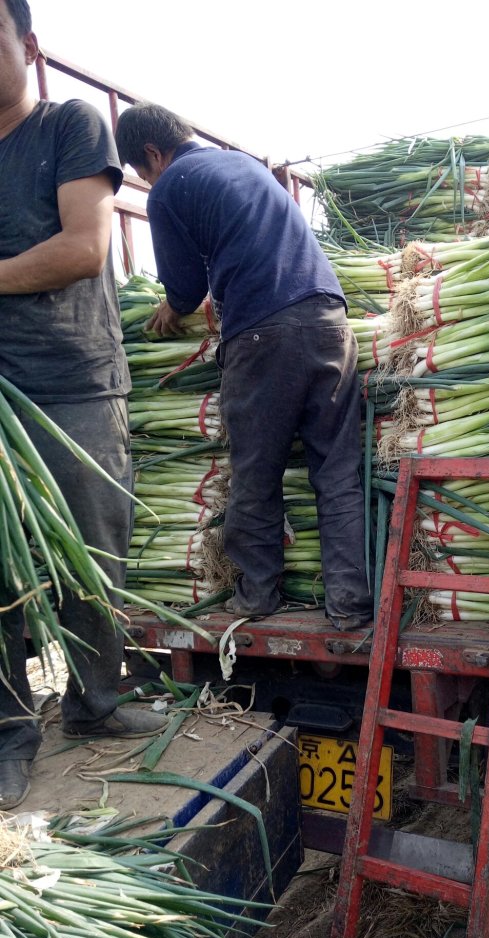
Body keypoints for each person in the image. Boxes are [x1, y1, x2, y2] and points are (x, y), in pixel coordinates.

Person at [114, 103, 373, 632]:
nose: (147, 182)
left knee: (256, 472)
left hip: (264, 333)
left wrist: (172, 308)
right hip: (329, 319)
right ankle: (349, 604)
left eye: (143, 173)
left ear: (152, 154)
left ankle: (257, 596)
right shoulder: (243, 166)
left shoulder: (170, 186)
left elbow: (184, 288)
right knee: (337, 471)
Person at [0, 0, 166, 810]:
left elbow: (83, 246)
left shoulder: (69, 126)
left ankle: (97, 702)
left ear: (27, 45)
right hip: (1, 393)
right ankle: (9, 730)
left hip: (75, 381)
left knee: (92, 552)